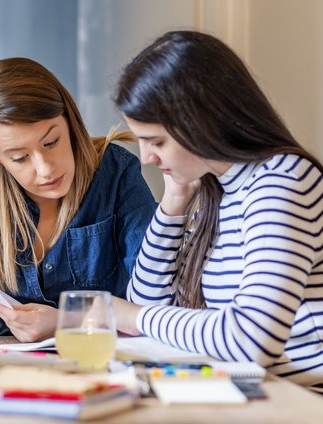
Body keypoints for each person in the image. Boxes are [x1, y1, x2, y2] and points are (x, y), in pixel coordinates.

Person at [112, 30, 323, 393]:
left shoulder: (283, 180)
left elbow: (251, 341)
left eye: (156, 141)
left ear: (202, 121)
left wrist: (137, 318)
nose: (146, 158)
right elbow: (145, 303)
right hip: (255, 394)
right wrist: (173, 203)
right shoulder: (217, 190)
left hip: (302, 401)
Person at [0, 57, 157, 342]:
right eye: (19, 158)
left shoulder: (116, 174)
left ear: (69, 121)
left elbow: (153, 305)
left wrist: (66, 321)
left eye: (51, 142)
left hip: (92, 356)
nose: (45, 169)